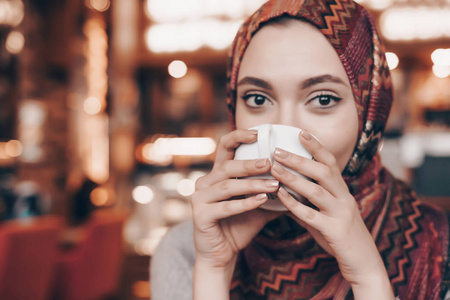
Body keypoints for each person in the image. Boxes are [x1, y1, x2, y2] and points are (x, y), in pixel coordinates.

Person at [151, 0, 450, 299]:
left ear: (370, 112)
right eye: (257, 99)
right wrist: (214, 271)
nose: (285, 128)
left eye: (322, 99)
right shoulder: (188, 251)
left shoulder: (437, 245)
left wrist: (369, 278)